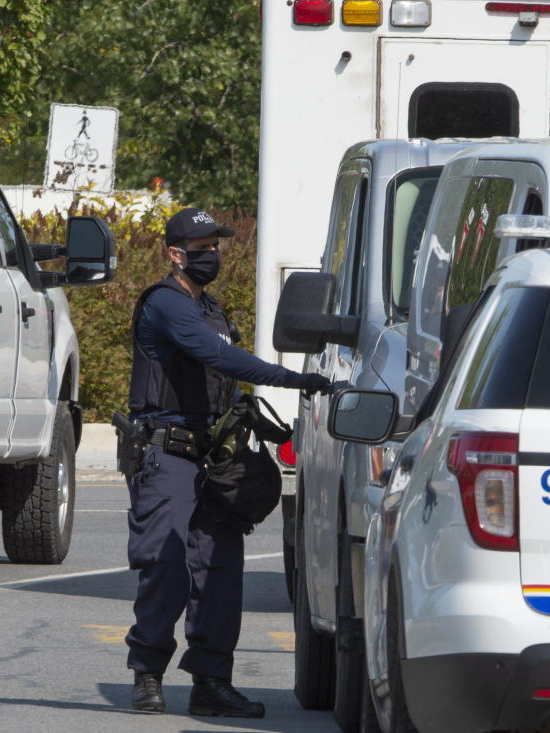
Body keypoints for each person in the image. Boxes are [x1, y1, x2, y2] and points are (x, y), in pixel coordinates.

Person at [125, 207, 332, 717]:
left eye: (217, 245)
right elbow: (217, 358)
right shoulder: (166, 305)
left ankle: (211, 681)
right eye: (201, 249)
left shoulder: (211, 309)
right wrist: (297, 380)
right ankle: (147, 674)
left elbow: (223, 382)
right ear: (175, 254)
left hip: (215, 455)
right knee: (167, 566)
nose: (213, 254)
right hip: (168, 451)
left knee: (219, 570)